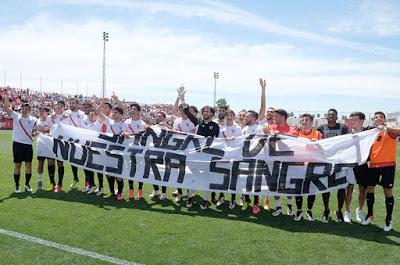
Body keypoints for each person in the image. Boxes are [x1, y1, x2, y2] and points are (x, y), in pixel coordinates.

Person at [362, 112, 400, 232]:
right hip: (373, 165)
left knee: (387, 191)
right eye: (376, 117)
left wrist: (386, 127)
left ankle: (388, 219)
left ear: (384, 119)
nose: (378, 119)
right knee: (370, 189)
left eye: (380, 117)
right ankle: (370, 214)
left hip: (388, 165)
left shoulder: (389, 131)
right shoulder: (372, 132)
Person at [184, 104, 220, 209]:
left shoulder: (215, 125)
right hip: (197, 155)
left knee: (207, 177)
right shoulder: (198, 122)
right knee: (193, 176)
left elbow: (216, 140)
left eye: (208, 111)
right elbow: (188, 113)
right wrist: (182, 99)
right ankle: (190, 196)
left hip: (208, 156)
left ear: (212, 114)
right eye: (204, 111)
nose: (205, 113)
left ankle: (205, 199)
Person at [317, 108, 349, 223]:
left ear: (336, 117)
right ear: (326, 116)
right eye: (329, 115)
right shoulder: (321, 128)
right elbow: (312, 139)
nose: (331, 116)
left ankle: (339, 211)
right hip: (326, 162)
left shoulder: (343, 128)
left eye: (333, 115)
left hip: (340, 162)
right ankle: (326, 209)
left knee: (341, 187)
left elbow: (350, 140)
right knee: (326, 187)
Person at [2, 91, 37, 193]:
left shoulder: (34, 119)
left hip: (28, 145)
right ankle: (17, 186)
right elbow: (6, 108)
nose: (24, 111)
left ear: (29, 110)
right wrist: (7, 97)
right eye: (23, 109)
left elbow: (38, 128)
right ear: (21, 109)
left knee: (28, 165)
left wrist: (36, 133)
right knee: (17, 165)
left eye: (26, 109)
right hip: (17, 145)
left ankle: (27, 185)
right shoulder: (16, 116)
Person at [269, 108, 298, 217]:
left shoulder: (292, 129)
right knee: (274, 184)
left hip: (288, 161)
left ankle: (289, 205)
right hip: (274, 160)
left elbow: (291, 142)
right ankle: (278, 207)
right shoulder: (271, 128)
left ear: (282, 117)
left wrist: (279, 135)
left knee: (288, 185)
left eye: (276, 116)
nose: (274, 118)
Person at [294, 114, 322, 221]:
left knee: (312, 189)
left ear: (311, 122)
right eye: (302, 120)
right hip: (298, 164)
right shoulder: (297, 133)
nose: (304, 121)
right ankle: (299, 211)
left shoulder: (317, 133)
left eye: (306, 120)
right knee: (298, 189)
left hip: (312, 164)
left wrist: (316, 144)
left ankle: (309, 211)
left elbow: (322, 147)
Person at [347, 112, 370, 223]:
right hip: (351, 165)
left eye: (355, 119)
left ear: (361, 121)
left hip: (363, 164)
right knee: (349, 189)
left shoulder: (368, 132)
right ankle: (347, 212)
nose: (353, 121)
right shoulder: (347, 133)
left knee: (362, 189)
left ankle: (359, 210)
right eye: (352, 119)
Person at [171, 103, 196, 202]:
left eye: (183, 108)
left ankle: (190, 192)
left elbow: (193, 134)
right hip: (178, 149)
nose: (181, 110)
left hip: (189, 150)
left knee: (189, 172)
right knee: (178, 171)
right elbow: (174, 131)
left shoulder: (191, 121)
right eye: (180, 108)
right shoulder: (177, 120)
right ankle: (180, 192)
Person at [219, 110, 243, 209]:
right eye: (227, 115)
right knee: (222, 177)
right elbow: (219, 142)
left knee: (233, 178)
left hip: (235, 156)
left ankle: (233, 199)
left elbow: (241, 140)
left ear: (234, 117)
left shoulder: (237, 128)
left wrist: (233, 138)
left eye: (231, 115)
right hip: (224, 156)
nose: (229, 117)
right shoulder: (221, 128)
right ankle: (221, 196)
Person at [241, 110, 264, 214]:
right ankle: (246, 200)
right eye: (245, 116)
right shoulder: (244, 128)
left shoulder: (259, 128)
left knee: (255, 181)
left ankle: (255, 203)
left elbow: (262, 142)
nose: (245, 118)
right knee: (244, 179)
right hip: (244, 157)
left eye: (248, 116)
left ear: (254, 118)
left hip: (255, 158)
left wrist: (254, 153)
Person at [123, 103, 147, 199]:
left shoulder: (142, 123)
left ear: (138, 112)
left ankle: (140, 190)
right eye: (130, 109)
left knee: (140, 171)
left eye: (133, 109)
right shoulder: (126, 122)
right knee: (130, 171)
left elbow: (141, 135)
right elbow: (123, 131)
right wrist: (124, 133)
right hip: (128, 150)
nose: (131, 110)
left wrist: (131, 134)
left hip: (139, 151)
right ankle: (131, 190)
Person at [148, 111, 173, 201]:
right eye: (157, 116)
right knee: (152, 172)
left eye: (160, 116)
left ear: (164, 118)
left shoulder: (167, 127)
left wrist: (166, 125)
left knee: (163, 173)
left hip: (163, 154)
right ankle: (156, 190)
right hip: (153, 152)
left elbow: (175, 132)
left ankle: (164, 193)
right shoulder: (153, 127)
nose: (158, 118)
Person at [63, 97, 87, 188]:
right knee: (72, 159)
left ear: (77, 104)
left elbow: (83, 126)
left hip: (80, 139)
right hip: (70, 140)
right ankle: (75, 178)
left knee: (84, 159)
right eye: (70, 103)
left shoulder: (81, 114)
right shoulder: (66, 113)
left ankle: (87, 181)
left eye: (73, 103)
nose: (71, 105)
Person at [35, 106, 55, 191]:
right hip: (40, 144)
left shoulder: (50, 118)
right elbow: (35, 131)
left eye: (43, 111)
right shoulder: (36, 121)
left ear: (47, 112)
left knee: (51, 163)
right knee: (40, 163)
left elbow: (54, 114)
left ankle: (52, 182)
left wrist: (42, 130)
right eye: (40, 111)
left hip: (50, 144)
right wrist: (43, 130)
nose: (41, 112)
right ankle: (39, 181)